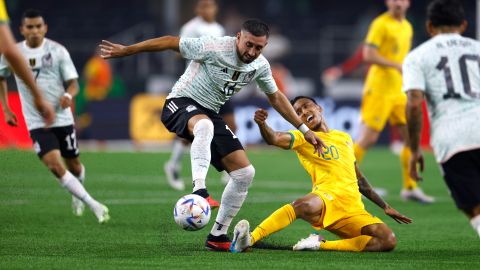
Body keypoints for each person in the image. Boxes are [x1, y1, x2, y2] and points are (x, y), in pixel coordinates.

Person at [100, 19, 324, 251]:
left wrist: (304, 130)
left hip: (209, 112)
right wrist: (127, 50)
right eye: (249, 45)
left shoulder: (260, 65)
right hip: (179, 102)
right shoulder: (214, 46)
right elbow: (169, 42)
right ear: (238, 36)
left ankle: (217, 235)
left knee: (245, 173)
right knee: (204, 127)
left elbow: (276, 97)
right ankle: (200, 191)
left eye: (259, 48)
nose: (252, 52)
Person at [230, 96, 412, 253]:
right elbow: (274, 138)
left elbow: (359, 179)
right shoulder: (303, 138)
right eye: (298, 112)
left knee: (388, 240)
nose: (304, 112)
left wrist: (385, 206)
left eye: (306, 106)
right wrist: (262, 125)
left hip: (354, 209)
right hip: (326, 199)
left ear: (319, 108)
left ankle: (319, 245)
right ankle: (249, 239)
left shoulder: (345, 138)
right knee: (302, 205)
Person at [0, 9, 109, 223]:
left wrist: (68, 95)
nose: (34, 31)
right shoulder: (12, 53)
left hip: (62, 117)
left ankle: (77, 196)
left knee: (74, 165)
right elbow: (1, 76)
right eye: (29, 27)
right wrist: (6, 108)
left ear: (45, 28)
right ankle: (93, 203)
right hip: (36, 121)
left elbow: (74, 83)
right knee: (54, 165)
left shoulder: (58, 51)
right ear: (21, 30)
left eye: (38, 26)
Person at [404, 0, 480, 237]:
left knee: (474, 209)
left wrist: (415, 149)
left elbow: (415, 103)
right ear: (464, 24)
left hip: (454, 139)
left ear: (429, 26)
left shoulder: (417, 56)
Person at [353, 0, 434, 203]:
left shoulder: (407, 26)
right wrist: (396, 65)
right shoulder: (380, 24)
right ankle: (344, 178)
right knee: (369, 138)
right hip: (379, 89)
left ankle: (410, 187)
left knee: (411, 137)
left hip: (399, 89)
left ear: (408, 3)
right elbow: (368, 54)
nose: (397, 2)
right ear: (387, 2)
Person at [164, 0, 234, 192]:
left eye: (210, 5)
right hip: (198, 86)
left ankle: (227, 169)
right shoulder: (190, 27)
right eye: (203, 6)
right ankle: (174, 164)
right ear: (197, 9)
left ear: (215, 8)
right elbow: (179, 51)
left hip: (220, 86)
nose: (207, 9)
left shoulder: (219, 28)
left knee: (230, 124)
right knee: (191, 133)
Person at [0, 0, 54, 125]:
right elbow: (9, 51)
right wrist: (38, 97)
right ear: (22, 29)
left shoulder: (58, 51)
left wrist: (6, 109)